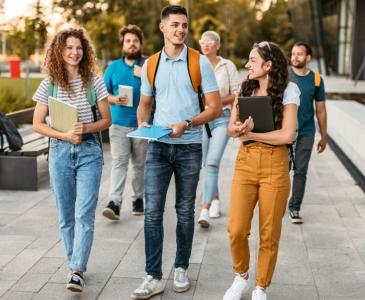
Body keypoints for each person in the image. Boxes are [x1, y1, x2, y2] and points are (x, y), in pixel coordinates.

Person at [131, 5, 221, 299]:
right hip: (157, 147)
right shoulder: (151, 64)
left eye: (184, 25)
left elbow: (215, 108)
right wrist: (142, 122)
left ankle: (181, 267)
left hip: (189, 147)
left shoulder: (199, 62)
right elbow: (145, 103)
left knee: (184, 212)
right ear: (163, 28)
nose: (181, 29)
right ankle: (153, 276)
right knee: (152, 213)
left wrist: (188, 122)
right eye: (175, 25)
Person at [32, 28, 111, 293]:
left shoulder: (94, 82)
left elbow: (106, 120)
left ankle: (77, 269)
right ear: (59, 51)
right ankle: (72, 265)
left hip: (89, 151)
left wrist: (84, 130)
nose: (74, 52)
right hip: (60, 152)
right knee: (66, 216)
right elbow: (38, 124)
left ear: (85, 50)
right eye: (69, 48)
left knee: (83, 214)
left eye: (78, 47)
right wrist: (64, 135)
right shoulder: (49, 84)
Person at [223, 42, 300, 300]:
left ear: (268, 65)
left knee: (269, 232)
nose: (247, 65)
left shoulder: (289, 90)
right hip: (245, 163)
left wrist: (251, 133)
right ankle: (241, 276)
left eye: (252, 60)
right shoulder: (245, 87)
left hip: (275, 166)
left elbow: (287, 134)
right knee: (236, 228)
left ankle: (261, 286)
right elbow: (231, 128)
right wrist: (239, 130)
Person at [102, 24, 148, 221]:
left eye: (135, 41)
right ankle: (115, 203)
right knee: (119, 163)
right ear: (123, 44)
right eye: (128, 41)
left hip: (142, 125)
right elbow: (102, 94)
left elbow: (159, 90)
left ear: (140, 44)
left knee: (139, 165)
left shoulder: (147, 66)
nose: (132, 44)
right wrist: (114, 99)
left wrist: (145, 75)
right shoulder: (113, 67)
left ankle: (138, 198)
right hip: (118, 124)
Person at [197, 30, 241, 228]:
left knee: (213, 162)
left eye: (210, 41)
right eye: (203, 41)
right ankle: (215, 199)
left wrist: (215, 101)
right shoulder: (195, 64)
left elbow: (236, 94)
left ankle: (204, 209)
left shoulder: (227, 65)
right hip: (203, 119)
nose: (206, 45)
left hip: (222, 118)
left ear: (218, 45)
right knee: (206, 163)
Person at [288, 41, 327, 224]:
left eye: (300, 54)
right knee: (281, 170)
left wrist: (324, 136)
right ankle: (276, 202)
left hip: (306, 131)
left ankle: (294, 207)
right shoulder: (284, 75)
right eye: (293, 53)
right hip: (285, 131)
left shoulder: (317, 79)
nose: (295, 57)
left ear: (308, 57)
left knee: (301, 171)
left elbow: (320, 109)